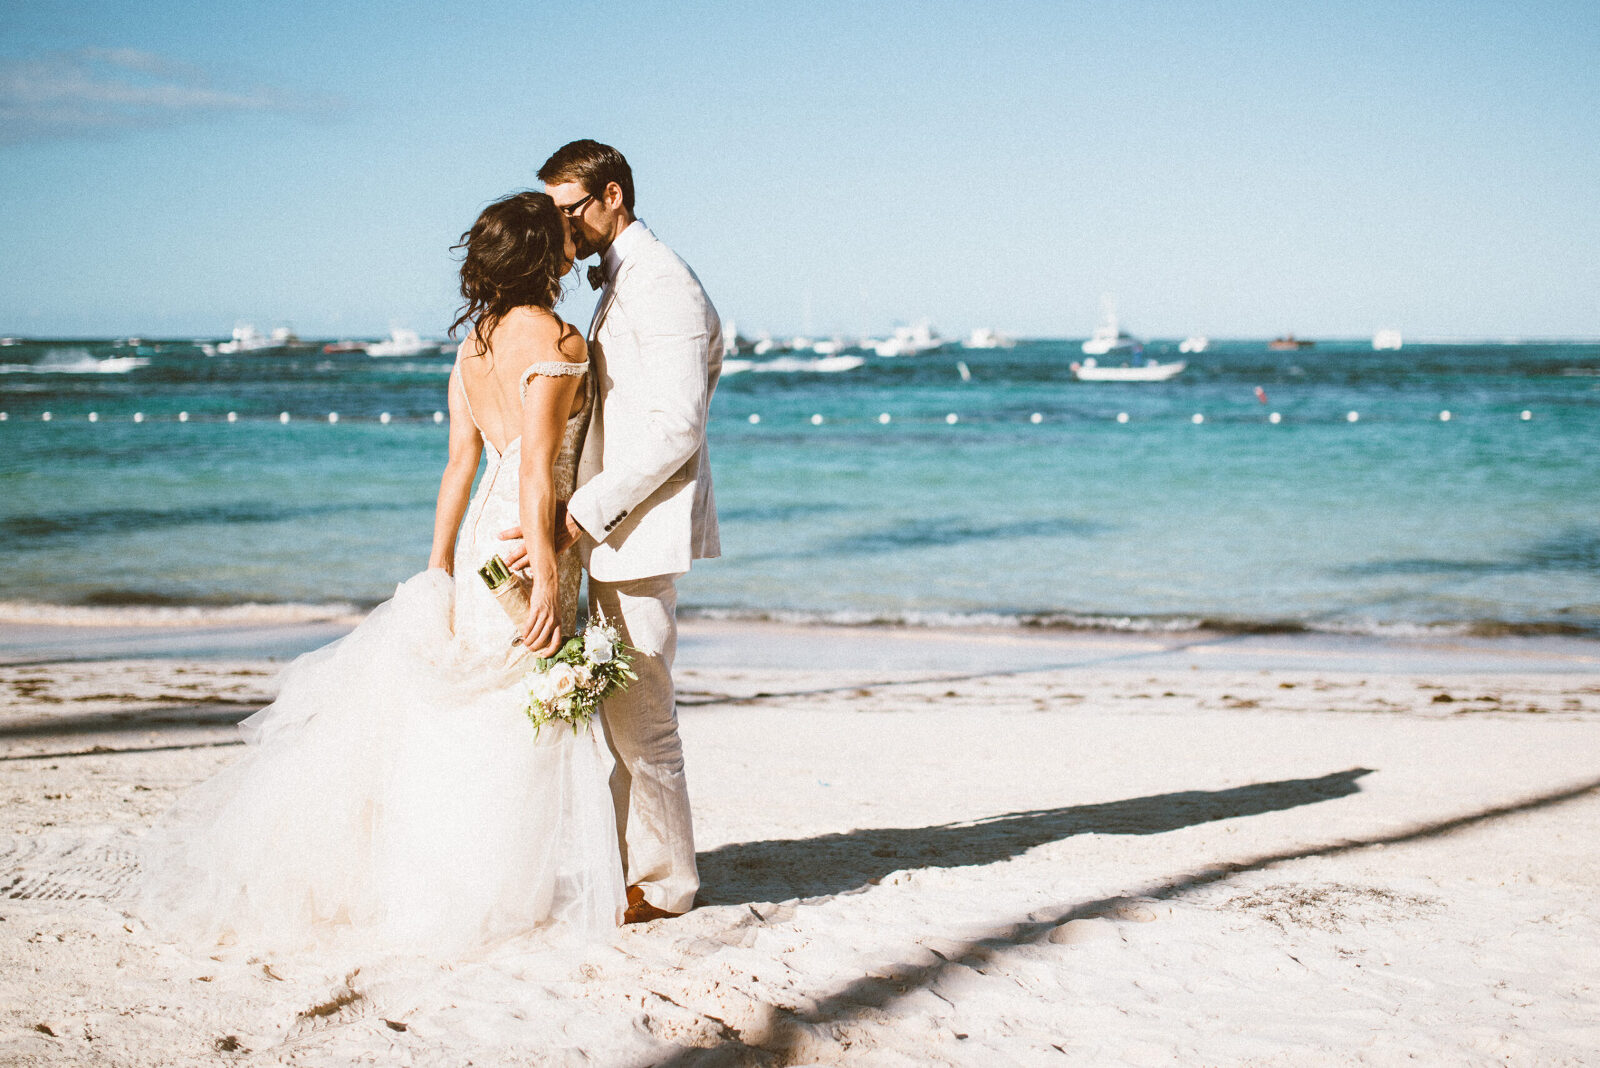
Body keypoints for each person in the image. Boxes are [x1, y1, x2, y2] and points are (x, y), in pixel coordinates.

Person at [134, 191, 625, 958]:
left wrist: (438, 569)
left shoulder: (475, 346)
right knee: (519, 703)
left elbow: (459, 467)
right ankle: (499, 890)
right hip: (527, 541)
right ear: (542, 253)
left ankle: (452, 880)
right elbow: (537, 471)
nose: (572, 235)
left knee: (472, 710)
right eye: (561, 229)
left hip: (478, 541)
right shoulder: (557, 338)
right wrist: (550, 570)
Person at [502, 140, 722, 924]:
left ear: (613, 196)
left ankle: (664, 887)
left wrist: (581, 512)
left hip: (638, 529)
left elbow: (677, 426)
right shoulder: (623, 278)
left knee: (645, 721)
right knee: (622, 714)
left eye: (570, 210)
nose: (562, 230)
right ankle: (636, 871)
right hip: (611, 529)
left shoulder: (661, 282)